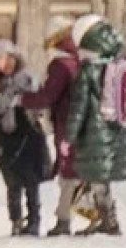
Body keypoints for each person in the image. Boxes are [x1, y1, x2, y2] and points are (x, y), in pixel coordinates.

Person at [64, 14, 126, 236]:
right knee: (100, 180)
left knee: (96, 181)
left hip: (94, 135)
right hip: (115, 133)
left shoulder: (88, 71)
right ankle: (104, 220)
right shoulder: (117, 65)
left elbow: (78, 108)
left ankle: (108, 221)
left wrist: (68, 137)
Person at [21, 15, 83, 236]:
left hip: (66, 123)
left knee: (69, 172)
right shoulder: (79, 60)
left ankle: (64, 220)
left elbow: (48, 96)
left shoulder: (60, 64)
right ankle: (100, 213)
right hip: (80, 123)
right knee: (79, 170)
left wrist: (23, 99)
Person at [0, 41, 51, 237]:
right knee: (12, 182)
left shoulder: (27, 81)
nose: (7, 64)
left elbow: (40, 103)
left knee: (31, 181)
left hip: (28, 136)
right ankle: (16, 220)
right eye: (1, 60)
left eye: (10, 59)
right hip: (5, 138)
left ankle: (34, 220)